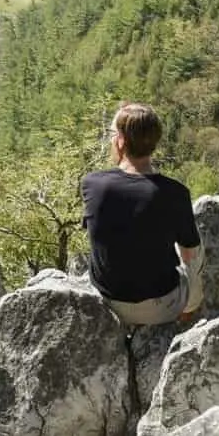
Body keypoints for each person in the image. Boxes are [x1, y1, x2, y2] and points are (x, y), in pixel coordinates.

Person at [81, 102, 204, 326]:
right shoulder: (176, 193)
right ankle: (190, 311)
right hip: (162, 307)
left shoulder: (92, 184)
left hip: (108, 303)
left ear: (120, 140)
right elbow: (189, 255)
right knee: (192, 245)